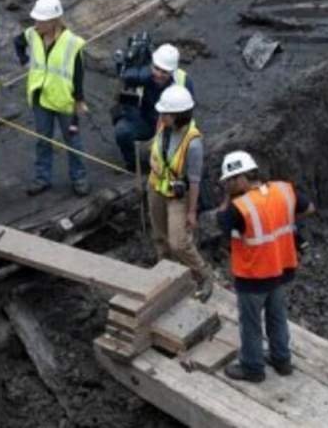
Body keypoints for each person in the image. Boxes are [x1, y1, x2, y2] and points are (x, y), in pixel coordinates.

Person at [216, 150, 316, 383]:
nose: (226, 187)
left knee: (251, 324)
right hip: (280, 269)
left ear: (239, 179)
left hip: (253, 277)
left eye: (228, 182)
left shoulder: (239, 207)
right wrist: (285, 221)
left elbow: (221, 222)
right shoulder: (283, 190)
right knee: (277, 316)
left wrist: (227, 199)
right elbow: (309, 208)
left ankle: (252, 368)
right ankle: (282, 360)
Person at [15, 0, 90, 197]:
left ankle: (79, 178)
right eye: (36, 19)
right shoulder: (32, 34)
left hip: (64, 99)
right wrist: (24, 62)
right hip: (41, 98)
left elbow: (78, 72)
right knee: (42, 139)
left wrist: (79, 100)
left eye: (41, 20)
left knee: (72, 140)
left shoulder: (72, 43)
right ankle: (42, 178)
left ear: (54, 21)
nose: (36, 23)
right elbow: (17, 42)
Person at [147, 85, 213, 299]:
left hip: (178, 196)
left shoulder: (193, 143)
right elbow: (157, 149)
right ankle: (166, 273)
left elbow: (194, 181)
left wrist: (192, 212)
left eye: (166, 113)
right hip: (156, 187)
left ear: (179, 115)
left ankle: (203, 274)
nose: (161, 116)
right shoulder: (162, 127)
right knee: (160, 237)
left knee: (179, 242)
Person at [114, 43, 194, 170]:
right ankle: (134, 164)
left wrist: (163, 136)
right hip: (147, 119)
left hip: (172, 123)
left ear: (172, 71)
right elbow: (121, 94)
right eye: (156, 69)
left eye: (164, 72)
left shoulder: (184, 82)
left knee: (170, 155)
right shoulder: (142, 75)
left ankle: (168, 163)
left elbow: (187, 116)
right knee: (122, 131)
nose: (159, 74)